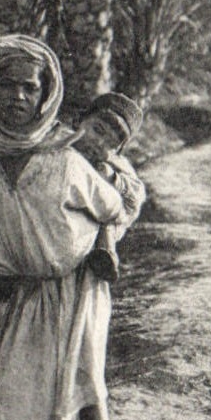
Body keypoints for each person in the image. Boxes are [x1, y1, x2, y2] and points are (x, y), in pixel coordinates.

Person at [0, 35, 134, 420]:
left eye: (29, 88)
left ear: (45, 96)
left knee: (85, 381)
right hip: (29, 285)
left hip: (79, 283)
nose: (17, 97)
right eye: (7, 86)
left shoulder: (64, 156)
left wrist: (94, 246)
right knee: (40, 381)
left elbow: (113, 206)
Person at [73, 93, 146, 284]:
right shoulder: (60, 148)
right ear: (79, 120)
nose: (99, 144)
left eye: (111, 144)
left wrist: (114, 179)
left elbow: (135, 198)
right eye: (97, 130)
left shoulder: (112, 165)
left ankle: (106, 253)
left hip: (85, 264)